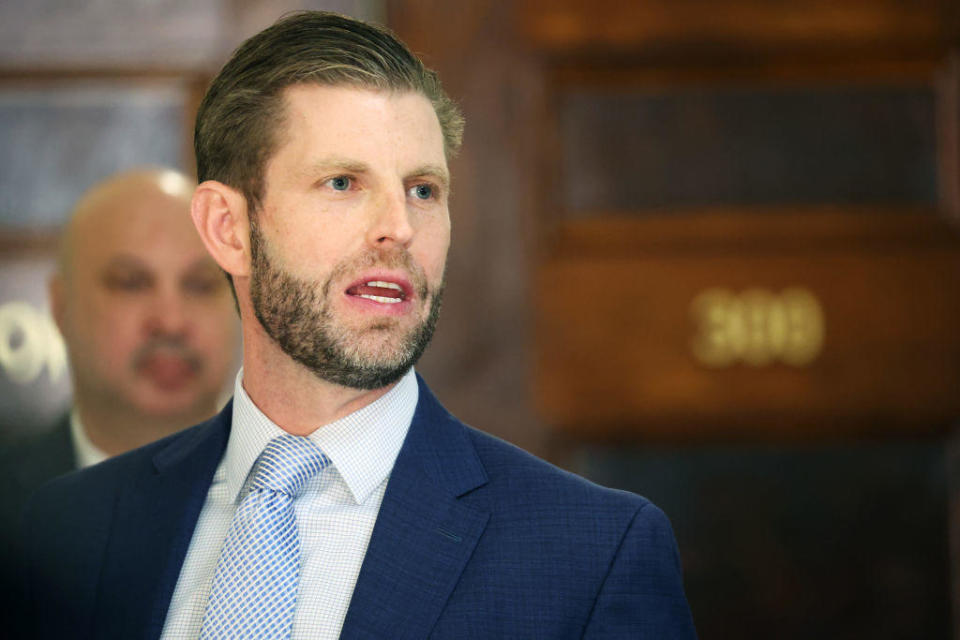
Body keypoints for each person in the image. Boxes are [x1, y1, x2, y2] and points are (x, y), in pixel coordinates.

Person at [18, 12, 696, 639]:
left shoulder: (592, 554)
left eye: (423, 189)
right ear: (228, 230)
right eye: (343, 182)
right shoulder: (68, 529)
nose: (399, 227)